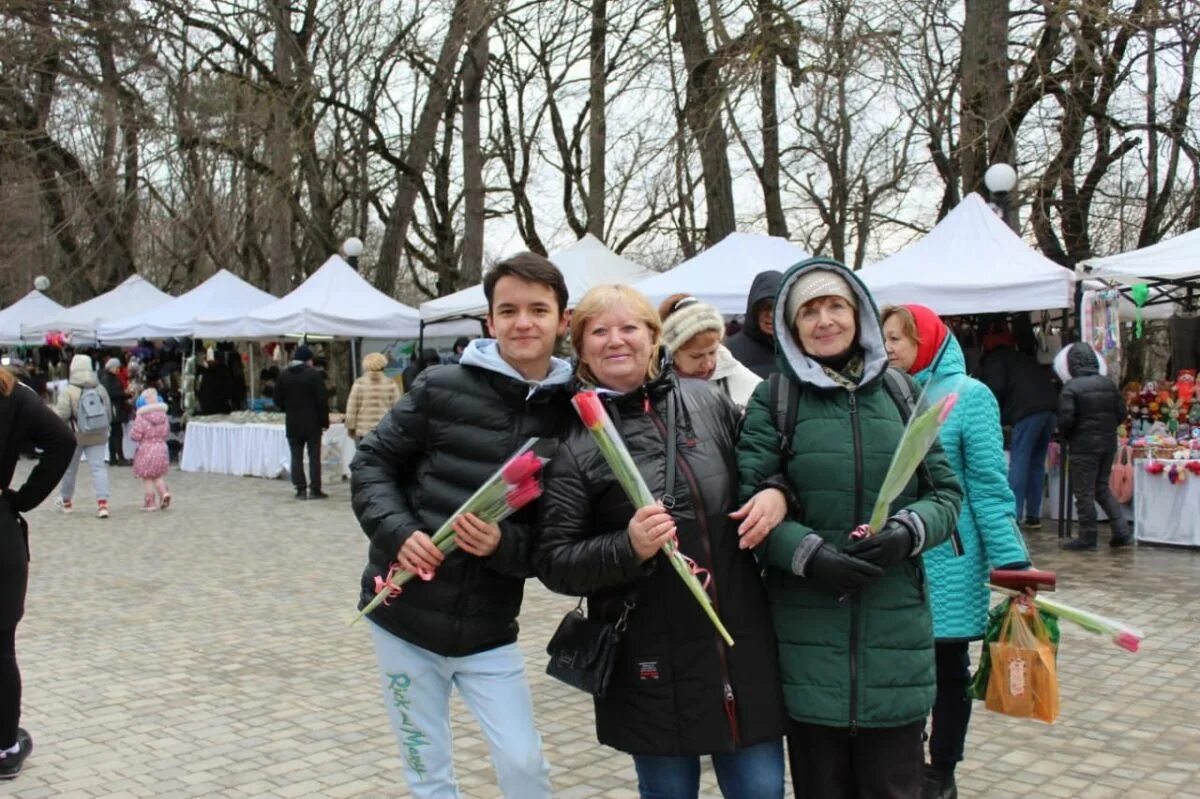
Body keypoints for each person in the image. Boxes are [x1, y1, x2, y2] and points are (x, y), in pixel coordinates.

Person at [536, 284, 787, 799]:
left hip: (741, 645)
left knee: (761, 791)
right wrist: (627, 547)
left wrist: (777, 493)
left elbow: (769, 466)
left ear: (653, 337)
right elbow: (555, 561)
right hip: (651, 660)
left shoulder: (705, 401)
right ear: (580, 348)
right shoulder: (574, 439)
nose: (615, 341)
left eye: (629, 327)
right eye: (599, 331)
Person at [351, 252, 575, 799]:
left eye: (539, 310)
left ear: (562, 321)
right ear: (489, 321)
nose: (524, 322)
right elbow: (371, 465)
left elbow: (557, 539)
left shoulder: (574, 413)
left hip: (489, 631)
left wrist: (503, 544)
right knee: (429, 774)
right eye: (509, 310)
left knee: (524, 766)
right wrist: (400, 534)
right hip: (402, 615)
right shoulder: (439, 386)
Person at [736, 259, 963, 798]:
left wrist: (909, 531)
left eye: (834, 305)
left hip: (895, 640)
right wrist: (809, 555)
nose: (824, 320)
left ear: (857, 312)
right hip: (808, 637)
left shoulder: (903, 394)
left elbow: (947, 495)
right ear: (791, 330)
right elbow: (751, 500)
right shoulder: (776, 400)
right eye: (807, 311)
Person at [882, 304, 1031, 798]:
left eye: (897, 340)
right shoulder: (885, 393)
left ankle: (941, 769)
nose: (888, 350)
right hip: (899, 554)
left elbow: (989, 485)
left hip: (952, 557)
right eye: (883, 340)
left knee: (947, 669)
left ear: (923, 341)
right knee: (904, 666)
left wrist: (1012, 560)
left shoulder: (970, 396)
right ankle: (905, 759)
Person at [0, 367, 76, 781]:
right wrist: (21, 499)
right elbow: (63, 440)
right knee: (0, 646)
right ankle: (5, 744)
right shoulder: (13, 391)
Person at [977, 324, 1058, 528]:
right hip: (1049, 408)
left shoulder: (995, 359)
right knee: (1036, 463)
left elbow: (995, 388)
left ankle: (1013, 515)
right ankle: (1033, 516)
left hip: (1027, 411)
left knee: (1019, 462)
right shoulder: (1022, 357)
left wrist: (994, 415)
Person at [1054, 343, 1132, 550]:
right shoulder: (1108, 384)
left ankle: (1088, 537)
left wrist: (1068, 436)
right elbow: (1121, 414)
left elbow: (1066, 420)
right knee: (1101, 488)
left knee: (1084, 493)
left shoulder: (1070, 388)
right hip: (1107, 444)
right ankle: (1122, 530)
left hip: (1083, 445)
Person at [659, 293, 762, 410]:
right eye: (696, 356)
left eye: (713, 352)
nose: (708, 364)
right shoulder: (654, 384)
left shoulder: (743, 380)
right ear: (672, 353)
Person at [54, 354, 114, 519]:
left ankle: (66, 501)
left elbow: (61, 415)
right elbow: (108, 412)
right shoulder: (100, 389)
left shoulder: (69, 391)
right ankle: (102, 503)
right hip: (98, 434)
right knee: (98, 468)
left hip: (76, 435)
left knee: (70, 469)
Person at [274, 344, 329, 500]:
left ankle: (300, 489)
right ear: (308, 360)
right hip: (312, 422)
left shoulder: (284, 375)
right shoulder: (314, 376)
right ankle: (315, 489)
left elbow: (277, 399)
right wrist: (324, 421)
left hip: (292, 421)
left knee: (296, 457)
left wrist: (288, 408)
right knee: (314, 457)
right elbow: (322, 401)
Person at [725, 270, 783, 379]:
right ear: (754, 310)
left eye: (777, 307)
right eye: (765, 307)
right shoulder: (727, 352)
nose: (770, 314)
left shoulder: (798, 349)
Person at [130, 388, 172, 511]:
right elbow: (166, 432)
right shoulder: (163, 416)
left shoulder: (141, 417)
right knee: (158, 475)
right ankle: (164, 493)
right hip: (161, 448)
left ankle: (150, 503)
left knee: (147, 477)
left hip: (146, 449)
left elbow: (136, 435)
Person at [345, 353, 401, 441]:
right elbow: (397, 408)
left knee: (366, 453)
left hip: (365, 430)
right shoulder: (391, 383)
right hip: (385, 429)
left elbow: (352, 408)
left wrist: (351, 427)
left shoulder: (359, 383)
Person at [99, 357, 131, 466]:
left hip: (115, 407)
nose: (118, 370)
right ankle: (119, 458)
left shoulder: (110, 377)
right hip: (113, 408)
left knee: (114, 433)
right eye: (117, 368)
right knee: (117, 433)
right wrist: (125, 393)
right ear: (112, 367)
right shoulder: (107, 378)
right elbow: (109, 394)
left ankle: (113, 457)